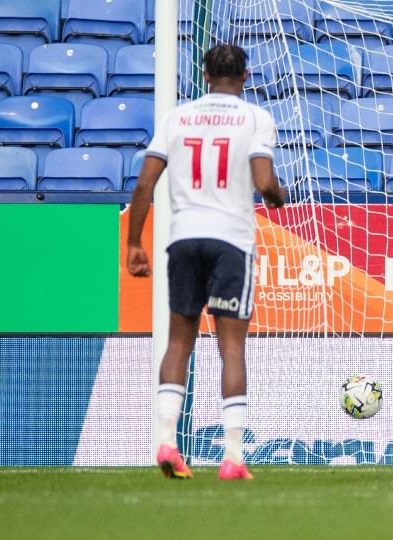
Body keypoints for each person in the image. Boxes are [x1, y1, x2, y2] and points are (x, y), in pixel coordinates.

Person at [126, 44, 285, 481]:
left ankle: (166, 443)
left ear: (204, 74)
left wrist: (134, 242)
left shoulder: (177, 117)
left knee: (179, 341)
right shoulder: (255, 118)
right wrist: (276, 196)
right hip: (230, 239)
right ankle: (233, 457)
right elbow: (262, 181)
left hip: (183, 237)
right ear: (247, 77)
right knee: (231, 347)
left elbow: (145, 183)